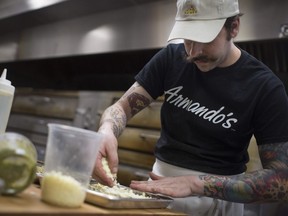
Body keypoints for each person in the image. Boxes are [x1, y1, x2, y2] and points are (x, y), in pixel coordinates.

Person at [93, 0, 288, 215]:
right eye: (188, 39)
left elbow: (282, 178)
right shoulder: (170, 59)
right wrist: (107, 130)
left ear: (233, 27)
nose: (194, 51)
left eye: (205, 38)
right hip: (160, 191)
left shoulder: (265, 87)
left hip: (218, 201)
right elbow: (121, 108)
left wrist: (196, 184)